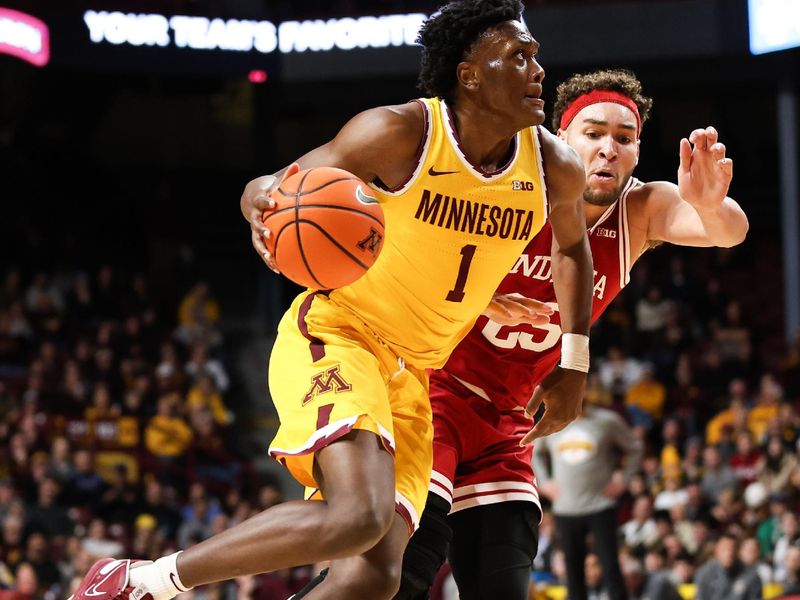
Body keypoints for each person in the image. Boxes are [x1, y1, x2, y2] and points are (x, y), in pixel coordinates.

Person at [70, 2, 594, 600]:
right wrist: (260, 200)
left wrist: (572, 362)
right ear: (469, 74)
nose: (538, 71)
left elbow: (571, 250)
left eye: (537, 57)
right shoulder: (399, 133)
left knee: (371, 577)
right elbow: (273, 187)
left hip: (415, 374)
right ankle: (139, 582)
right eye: (519, 57)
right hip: (342, 335)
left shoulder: (554, 164)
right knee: (358, 517)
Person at [396, 68, 748, 600]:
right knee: (405, 569)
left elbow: (729, 231)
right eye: (593, 133)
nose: (609, 148)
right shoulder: (510, 184)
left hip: (508, 423)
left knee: (504, 581)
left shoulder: (640, 208)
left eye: (624, 139)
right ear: (562, 139)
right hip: (434, 392)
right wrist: (485, 300)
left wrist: (706, 203)